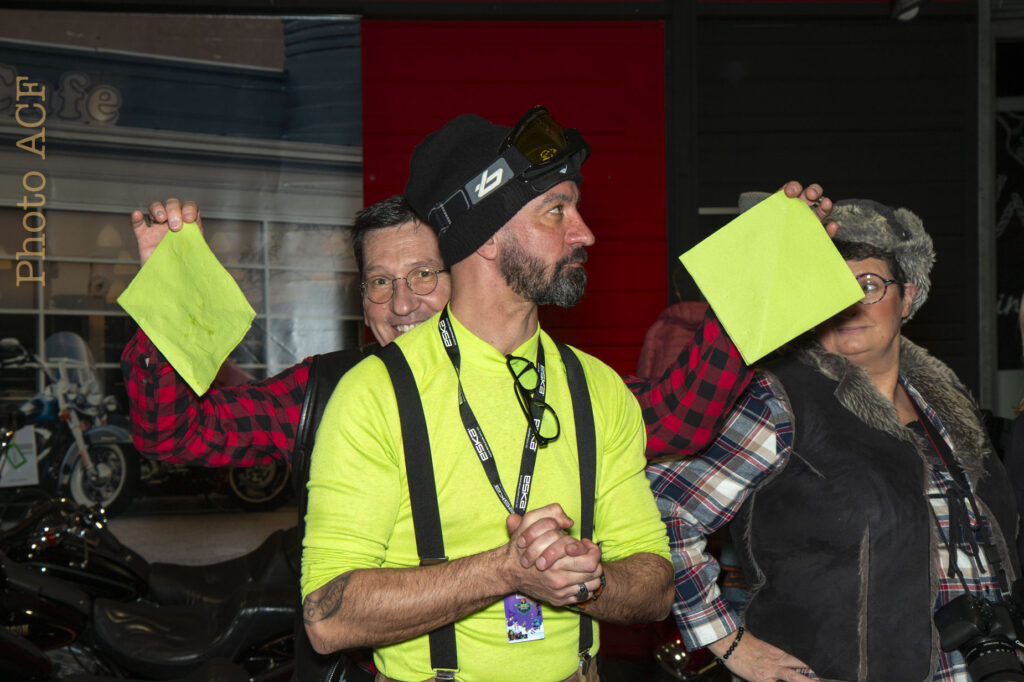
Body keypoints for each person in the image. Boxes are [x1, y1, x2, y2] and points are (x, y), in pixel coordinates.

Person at [299, 107, 676, 681]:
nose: (584, 233)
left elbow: (657, 586)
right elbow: (328, 619)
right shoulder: (376, 393)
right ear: (489, 237)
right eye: (556, 211)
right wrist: (505, 571)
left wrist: (587, 578)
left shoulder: (597, 388)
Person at [647, 197, 1024, 682]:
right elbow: (665, 508)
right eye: (830, 286)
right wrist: (727, 640)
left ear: (907, 298)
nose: (849, 304)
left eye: (868, 285)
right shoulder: (776, 400)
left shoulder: (949, 407)